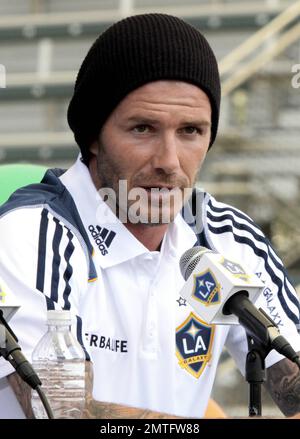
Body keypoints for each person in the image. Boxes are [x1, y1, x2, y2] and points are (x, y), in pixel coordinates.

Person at [0, 13, 300, 419]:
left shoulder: (229, 238)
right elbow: (62, 410)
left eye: (191, 131)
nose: (169, 161)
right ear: (92, 134)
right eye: (143, 128)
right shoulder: (27, 235)